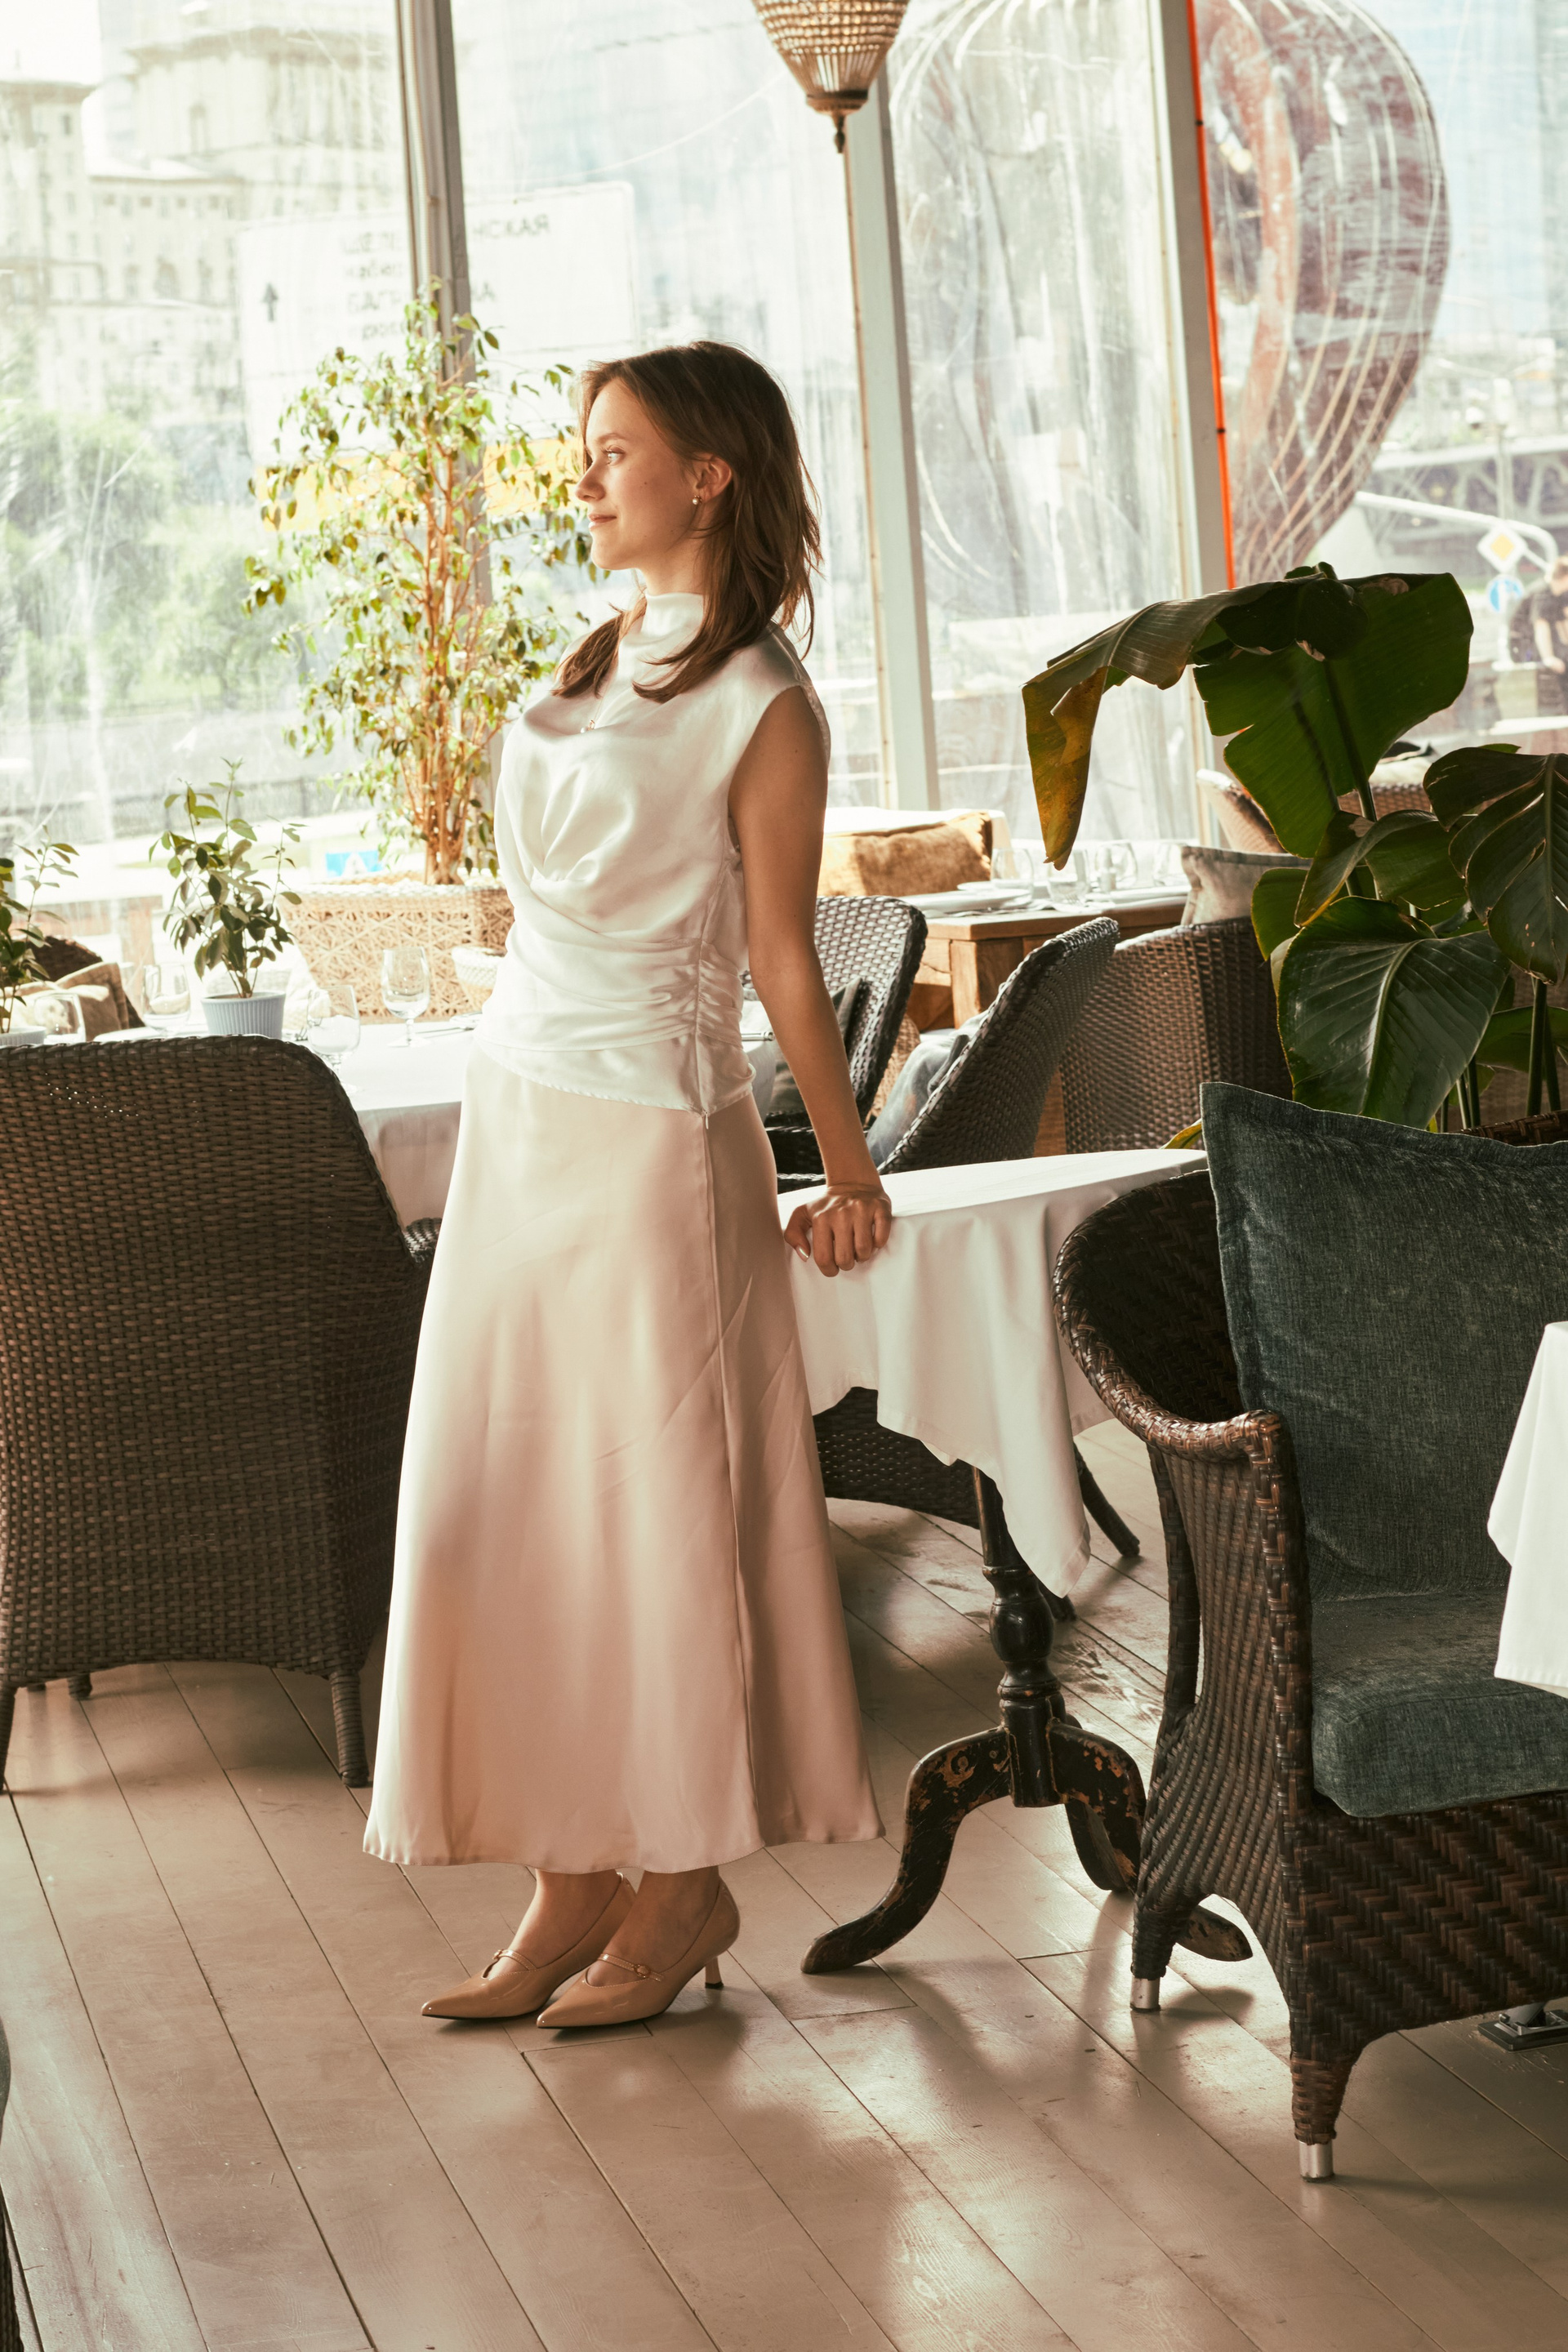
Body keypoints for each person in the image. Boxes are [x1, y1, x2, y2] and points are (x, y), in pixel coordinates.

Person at [363, 341, 889, 2029]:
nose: (583, 478)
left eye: (614, 451)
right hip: (523, 1117)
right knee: (521, 1505)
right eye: (583, 451)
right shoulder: (597, 650)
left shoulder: (766, 702)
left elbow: (785, 963)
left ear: (708, 475)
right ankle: (568, 1877)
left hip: (656, 1139)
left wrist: (850, 1167)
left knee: (652, 1515)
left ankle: (679, 1881)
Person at [1530, 558, 1568, 714]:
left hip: (1546, 644)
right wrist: (1549, 657)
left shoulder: (1558, 594)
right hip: (1529, 647)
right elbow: (1541, 627)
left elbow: (1563, 624)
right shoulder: (1543, 594)